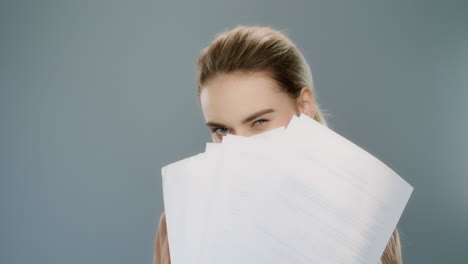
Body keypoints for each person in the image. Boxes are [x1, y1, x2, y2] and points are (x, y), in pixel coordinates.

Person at [153, 25, 403, 264]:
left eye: (259, 122)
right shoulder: (180, 223)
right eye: (222, 130)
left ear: (304, 105)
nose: (238, 147)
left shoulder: (363, 219)